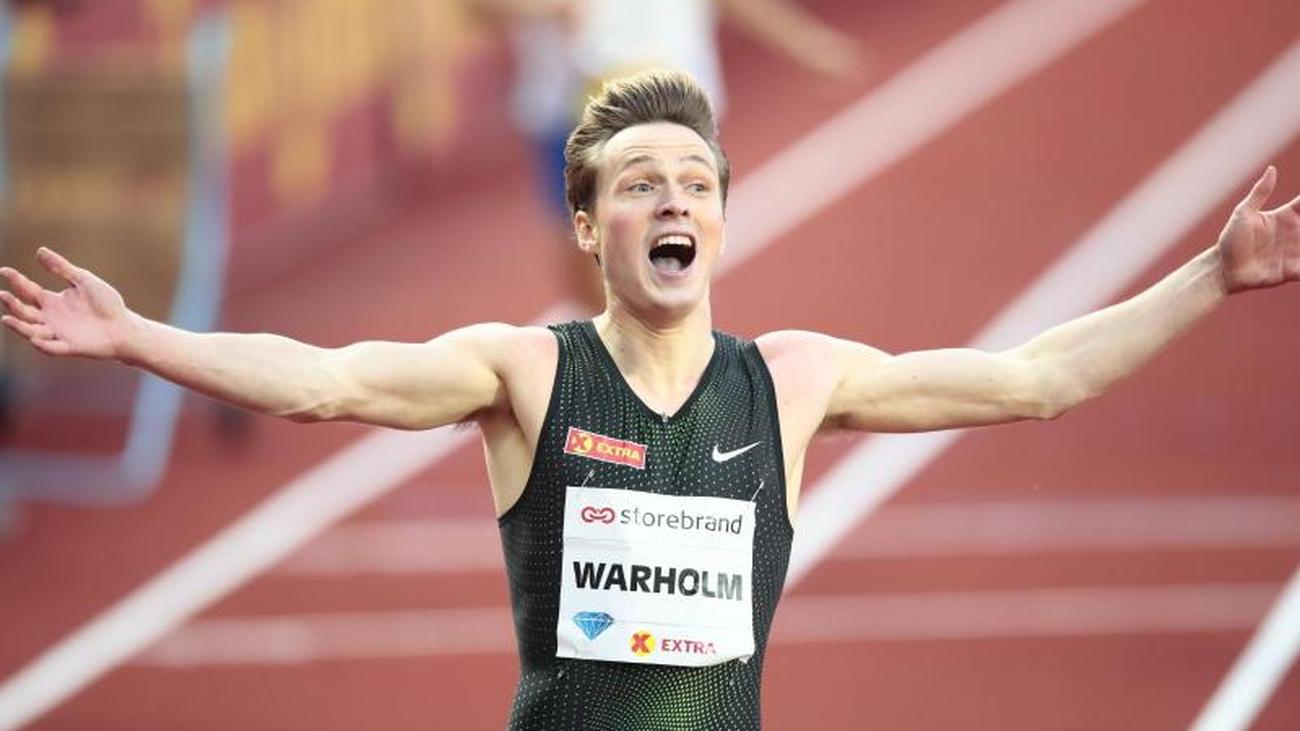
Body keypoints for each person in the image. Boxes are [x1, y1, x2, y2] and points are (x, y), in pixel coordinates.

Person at [2, 70, 1298, 730]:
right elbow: (327, 383)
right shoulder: (526, 371)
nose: (673, 197)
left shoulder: (793, 380)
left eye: (695, 181)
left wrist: (1211, 273)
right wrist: (138, 338)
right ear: (588, 225)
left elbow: (1037, 380)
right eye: (638, 183)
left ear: (720, 219)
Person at [473, 0, 864, 311]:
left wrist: (802, 40)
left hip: (669, 93)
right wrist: (544, 7)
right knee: (590, 269)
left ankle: (675, 369)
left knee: (656, 256)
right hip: (565, 106)